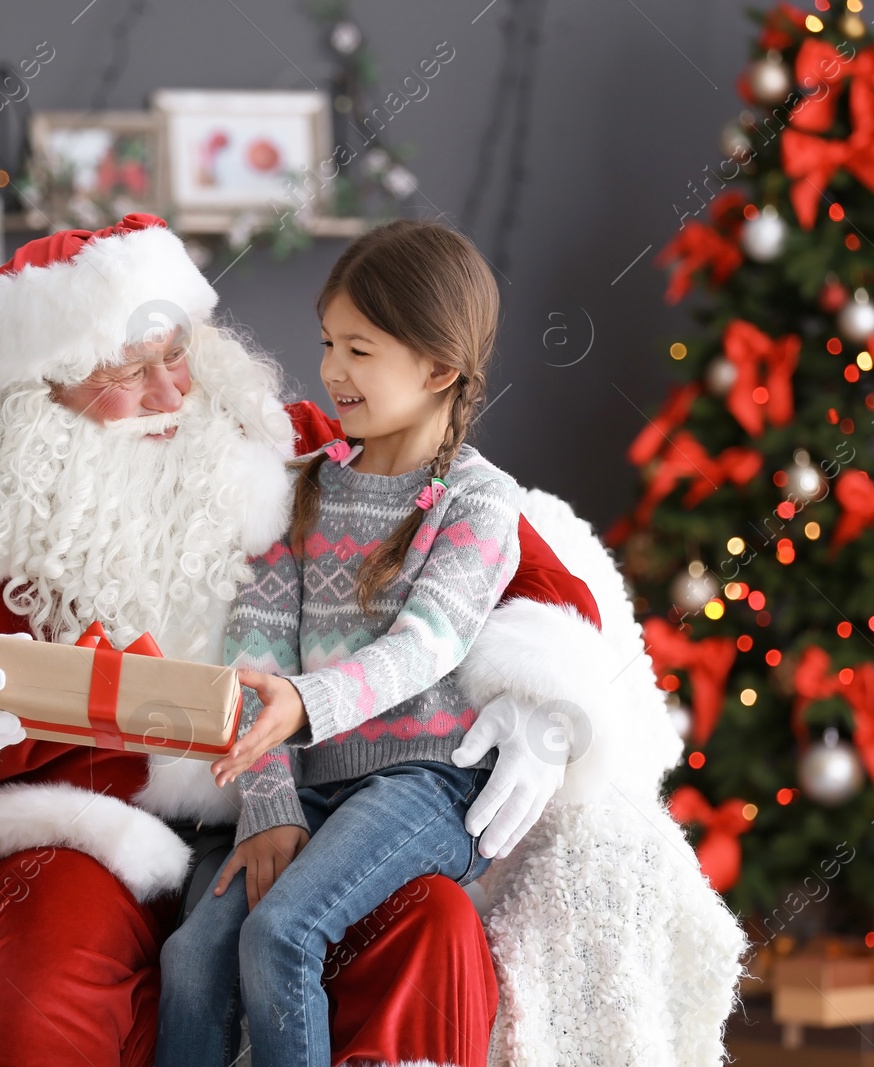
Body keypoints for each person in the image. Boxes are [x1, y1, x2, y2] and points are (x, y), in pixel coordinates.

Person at [0, 214, 686, 1067]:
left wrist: (546, 697)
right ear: (38, 400)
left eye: (175, 354)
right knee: (46, 980)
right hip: (86, 826)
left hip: (306, 798)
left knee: (427, 919)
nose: (166, 390)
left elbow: (504, 538)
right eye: (123, 372)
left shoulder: (284, 443)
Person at [158, 221, 517, 1065]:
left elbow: (426, 645)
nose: (331, 371)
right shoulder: (299, 488)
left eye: (360, 349)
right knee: (191, 954)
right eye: (328, 343)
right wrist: (272, 804)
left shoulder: (479, 503)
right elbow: (257, 656)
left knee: (281, 933)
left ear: (438, 368)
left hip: (424, 782)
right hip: (310, 781)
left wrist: (304, 706)